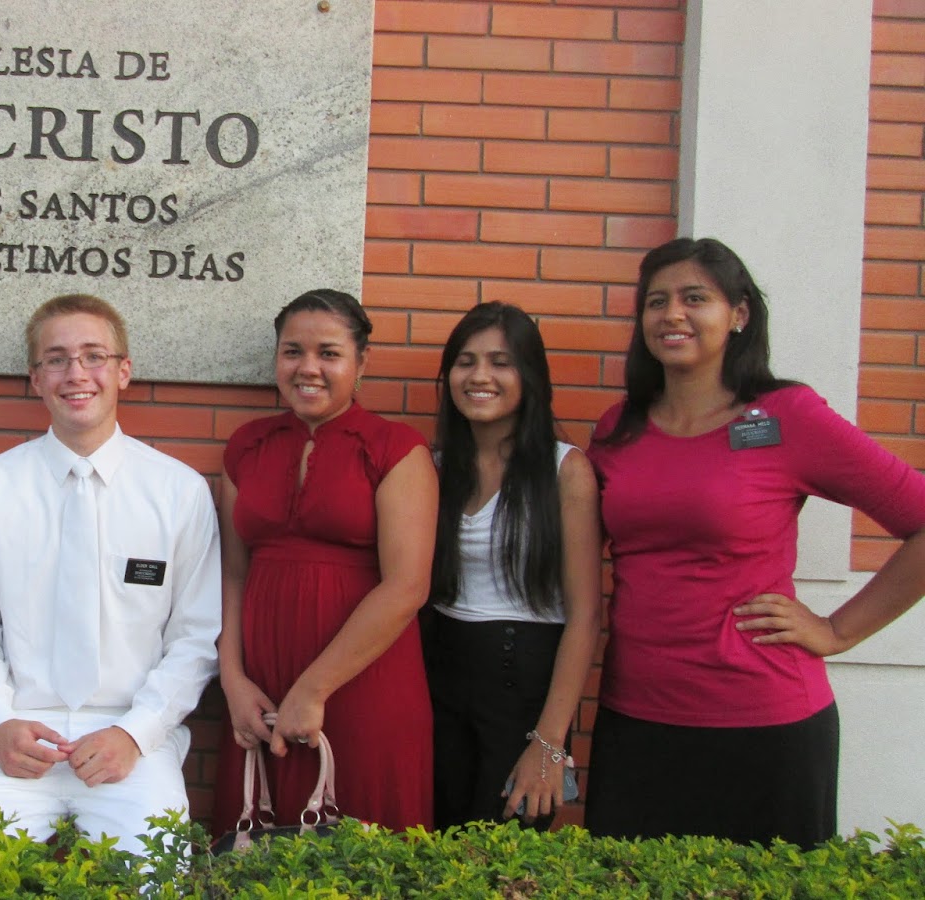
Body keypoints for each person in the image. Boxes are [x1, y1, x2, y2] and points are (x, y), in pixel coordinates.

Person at [585, 237, 925, 848]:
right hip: (635, 717)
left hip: (765, 721)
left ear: (738, 314)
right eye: (657, 301)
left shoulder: (788, 415)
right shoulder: (619, 428)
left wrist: (837, 631)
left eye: (695, 298)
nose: (672, 314)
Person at [0, 294, 221, 855]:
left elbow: (194, 638)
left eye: (94, 356)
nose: (76, 374)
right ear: (35, 378)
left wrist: (134, 733)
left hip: (131, 737)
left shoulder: (178, 492)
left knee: (153, 881)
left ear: (124, 371)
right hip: (17, 732)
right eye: (57, 359)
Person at [213, 288, 437, 834]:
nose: (307, 368)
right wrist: (232, 679)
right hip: (260, 686)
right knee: (256, 848)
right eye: (292, 352)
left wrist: (314, 690)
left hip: (363, 683)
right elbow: (232, 574)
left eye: (329, 353)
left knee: (360, 846)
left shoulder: (395, 448)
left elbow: (407, 587)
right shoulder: (246, 447)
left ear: (362, 362)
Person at [424, 302, 600, 829]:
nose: (479, 376)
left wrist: (548, 742)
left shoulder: (565, 469)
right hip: (438, 681)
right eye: (466, 362)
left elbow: (585, 616)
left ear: (530, 377)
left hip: (521, 691)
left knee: (500, 849)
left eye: (500, 362)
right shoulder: (433, 468)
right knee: (430, 842)